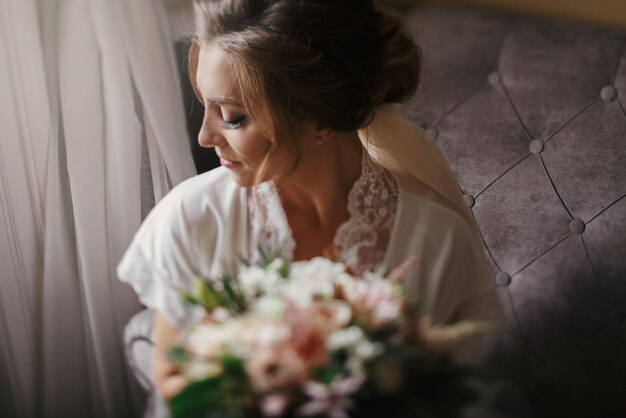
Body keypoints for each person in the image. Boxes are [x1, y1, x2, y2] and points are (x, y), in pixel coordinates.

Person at [118, 0, 504, 402]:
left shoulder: (437, 241)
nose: (205, 137)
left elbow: (454, 396)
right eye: (206, 107)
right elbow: (173, 384)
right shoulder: (191, 219)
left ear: (319, 119)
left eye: (232, 116)